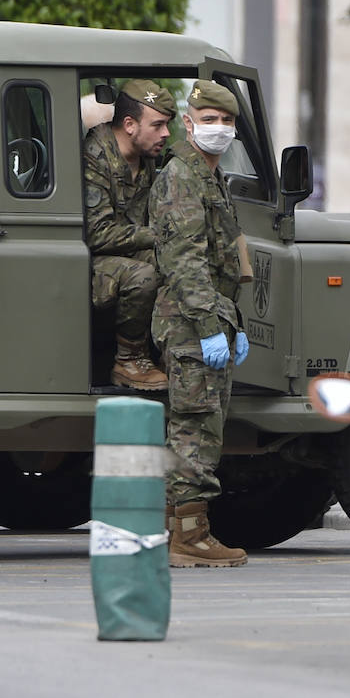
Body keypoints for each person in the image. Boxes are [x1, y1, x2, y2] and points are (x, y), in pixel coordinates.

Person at [149, 79, 251, 568]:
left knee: (201, 422)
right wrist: (210, 325)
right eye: (210, 121)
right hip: (190, 321)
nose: (220, 130)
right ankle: (190, 536)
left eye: (228, 122)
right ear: (188, 124)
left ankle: (179, 529)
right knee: (196, 427)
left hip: (208, 317)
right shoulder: (181, 176)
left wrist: (235, 323)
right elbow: (185, 260)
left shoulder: (209, 177)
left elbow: (224, 260)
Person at [83, 79, 177, 390]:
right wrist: (156, 236)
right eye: (158, 125)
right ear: (129, 125)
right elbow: (96, 234)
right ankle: (129, 360)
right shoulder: (96, 156)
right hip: (90, 263)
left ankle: (170, 351)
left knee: (177, 264)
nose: (165, 134)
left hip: (125, 254)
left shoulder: (146, 157)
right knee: (144, 275)